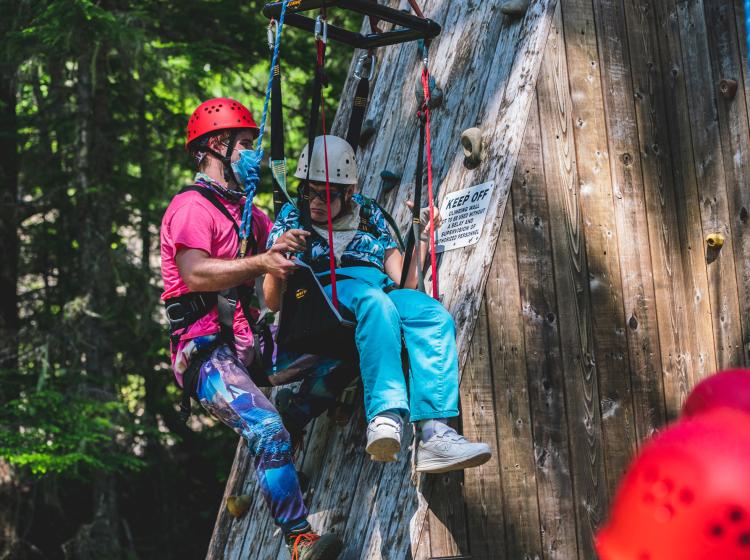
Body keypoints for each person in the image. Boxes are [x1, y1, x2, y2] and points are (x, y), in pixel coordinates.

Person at [160, 99, 349, 559]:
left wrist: (284, 248)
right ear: (216, 146)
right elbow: (196, 273)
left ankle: (293, 421)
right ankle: (300, 539)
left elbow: (270, 290)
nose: (253, 155)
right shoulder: (191, 208)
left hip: (249, 343)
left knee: (343, 351)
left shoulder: (252, 214)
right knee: (263, 429)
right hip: (203, 350)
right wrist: (263, 258)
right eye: (245, 145)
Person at [264, 135, 492, 473]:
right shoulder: (291, 217)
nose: (314, 202)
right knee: (375, 304)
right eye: (308, 191)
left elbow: (405, 281)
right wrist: (277, 257)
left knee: (430, 314)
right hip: (326, 292)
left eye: (326, 195)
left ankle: (435, 432)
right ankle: (385, 416)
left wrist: (425, 238)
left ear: (350, 190)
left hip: (381, 289)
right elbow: (272, 300)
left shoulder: (369, 214)